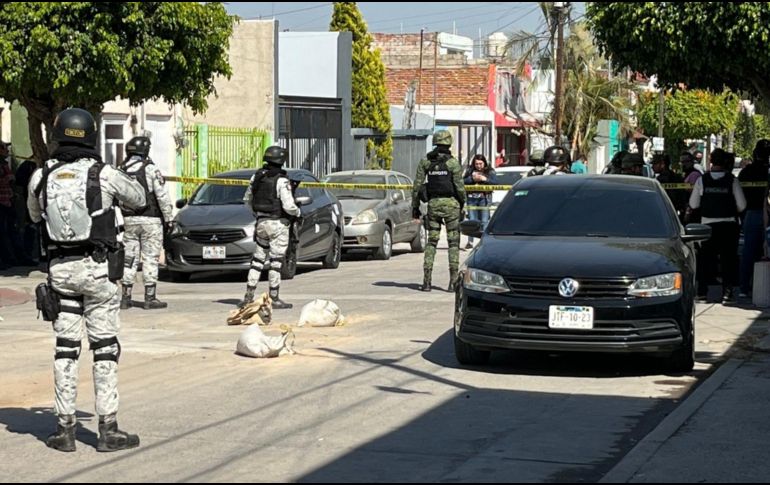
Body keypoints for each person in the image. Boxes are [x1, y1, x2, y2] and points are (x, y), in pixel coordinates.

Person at [27, 107, 146, 452]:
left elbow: (35, 214)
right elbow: (138, 198)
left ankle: (64, 431)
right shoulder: (103, 173)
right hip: (98, 270)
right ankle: (108, 430)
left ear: (57, 135)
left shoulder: (42, 176)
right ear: (92, 136)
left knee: (66, 349)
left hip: (60, 271)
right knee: (105, 348)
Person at [240, 146, 301, 309]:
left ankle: (248, 296)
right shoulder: (282, 180)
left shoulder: (257, 176)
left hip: (261, 223)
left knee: (258, 260)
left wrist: (257, 214)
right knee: (275, 262)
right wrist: (298, 212)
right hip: (278, 224)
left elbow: (247, 199)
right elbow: (288, 206)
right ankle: (274, 297)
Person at [118, 136, 174, 310]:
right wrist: (169, 218)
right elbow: (162, 196)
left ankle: (125, 297)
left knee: (129, 258)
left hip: (129, 220)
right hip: (151, 220)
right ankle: (150, 297)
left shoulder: (120, 170)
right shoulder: (150, 169)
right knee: (150, 258)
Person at [688, 149, 746, 304]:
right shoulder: (732, 180)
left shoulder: (702, 180)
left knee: (706, 260)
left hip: (707, 226)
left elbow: (693, 204)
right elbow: (742, 205)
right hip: (729, 226)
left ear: (711, 161)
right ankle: (727, 293)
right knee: (729, 260)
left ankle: (702, 293)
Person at [412, 129, 466, 292]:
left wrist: (415, 207)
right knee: (453, 243)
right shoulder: (452, 163)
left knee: (431, 242)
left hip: (433, 205)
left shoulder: (426, 161)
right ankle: (453, 283)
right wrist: (463, 204)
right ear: (449, 143)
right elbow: (459, 187)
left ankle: (426, 282)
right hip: (451, 206)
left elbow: (417, 186)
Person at [737, 139, 770, 297]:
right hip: (763, 213)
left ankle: (744, 287)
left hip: (751, 213)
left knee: (749, 252)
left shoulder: (747, 172)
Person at [463, 154, 498, 249]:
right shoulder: (469, 171)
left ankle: (484, 241)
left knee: (484, 220)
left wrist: (484, 179)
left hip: (484, 198)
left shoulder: (490, 171)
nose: (478, 166)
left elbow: (495, 182)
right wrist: (472, 179)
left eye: (480, 163)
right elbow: (463, 181)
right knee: (472, 221)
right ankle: (470, 242)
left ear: (484, 163)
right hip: (471, 198)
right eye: (476, 164)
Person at [652, 153, 686, 221]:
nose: (652, 166)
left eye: (655, 164)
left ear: (662, 164)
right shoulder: (678, 177)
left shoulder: (659, 180)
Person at [0, 142, 17, 269]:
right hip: (1, 202)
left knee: (8, 231)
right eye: (3, 148)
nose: (6, 150)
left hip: (7, 201)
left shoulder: (4, 164)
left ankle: (10, 258)